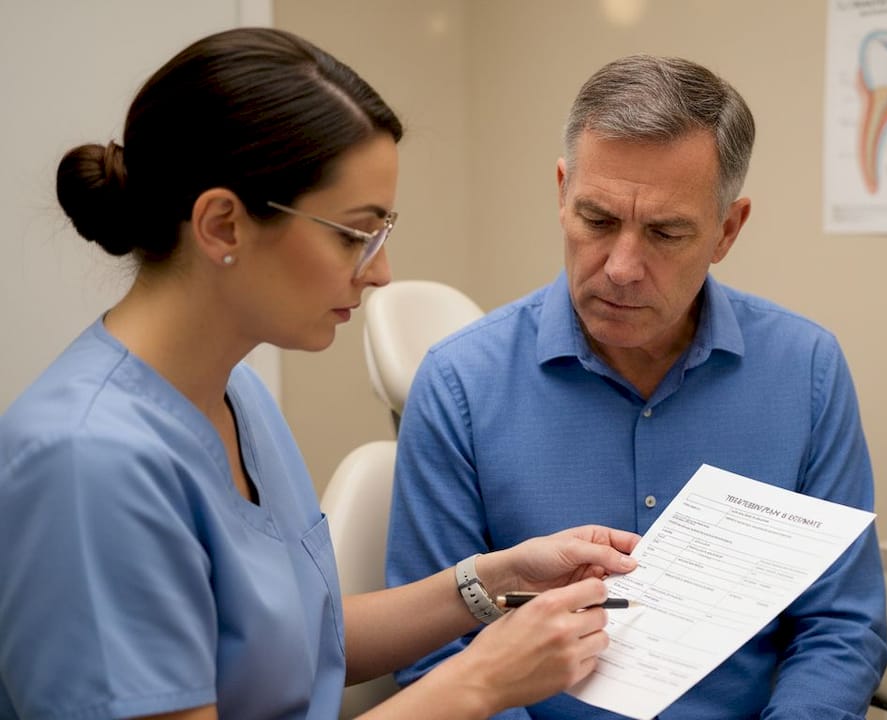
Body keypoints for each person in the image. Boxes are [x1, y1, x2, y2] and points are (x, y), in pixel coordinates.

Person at [0, 28, 640, 720]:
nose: (381, 273)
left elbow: (301, 639)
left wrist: (493, 579)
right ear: (222, 225)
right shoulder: (86, 462)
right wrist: (480, 682)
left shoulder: (235, 395)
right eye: (354, 234)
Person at [386, 54, 887, 719]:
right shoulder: (460, 383)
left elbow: (842, 626)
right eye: (597, 221)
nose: (622, 268)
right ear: (562, 192)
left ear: (727, 229)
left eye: (665, 232)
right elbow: (434, 648)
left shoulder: (806, 371)